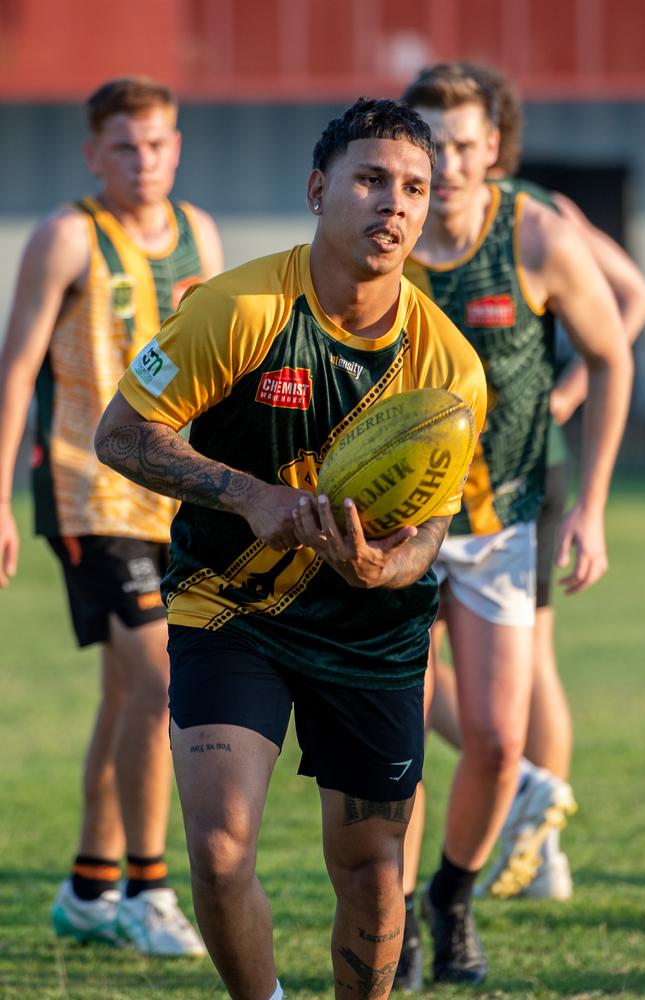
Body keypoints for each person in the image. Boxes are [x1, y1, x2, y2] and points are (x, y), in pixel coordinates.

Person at [93, 97, 487, 1000]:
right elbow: (121, 434)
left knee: (373, 870)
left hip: (370, 628)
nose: (394, 204)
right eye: (371, 180)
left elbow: (429, 529)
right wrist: (250, 495)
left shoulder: (448, 371)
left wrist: (392, 565)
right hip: (233, 606)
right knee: (221, 847)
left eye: (414, 189)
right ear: (319, 190)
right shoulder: (238, 308)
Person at [394, 63, 634, 986]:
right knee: (401, 742)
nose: (448, 164)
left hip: (506, 523)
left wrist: (591, 508)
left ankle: (453, 896)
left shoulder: (534, 234)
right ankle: (400, 918)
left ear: (493, 148)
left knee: (498, 743)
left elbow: (612, 354)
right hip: (392, 531)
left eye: (464, 144)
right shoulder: (380, 234)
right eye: (432, 144)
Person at [0, 76, 223, 955]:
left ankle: (91, 887)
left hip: (175, 491)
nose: (145, 161)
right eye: (125, 147)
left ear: (177, 145)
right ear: (94, 154)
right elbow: (16, 370)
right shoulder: (64, 236)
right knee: (164, 682)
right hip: (86, 491)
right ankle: (147, 888)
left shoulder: (200, 232)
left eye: (158, 144)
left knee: (127, 693)